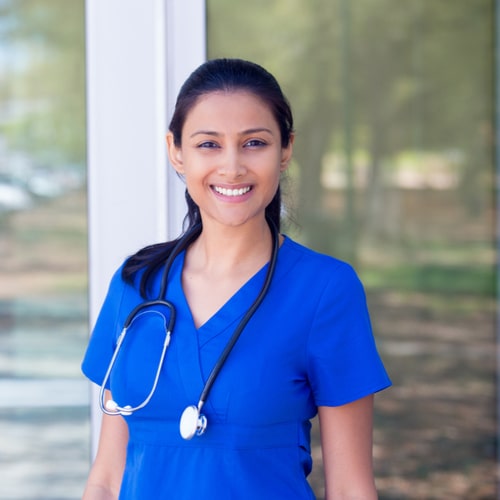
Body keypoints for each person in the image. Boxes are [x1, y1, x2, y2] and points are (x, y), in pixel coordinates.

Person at [81, 58, 391, 499]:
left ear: (284, 151)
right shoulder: (137, 285)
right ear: (176, 152)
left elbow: (349, 489)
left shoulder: (325, 291)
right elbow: (106, 479)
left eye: (254, 143)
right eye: (208, 144)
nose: (231, 167)